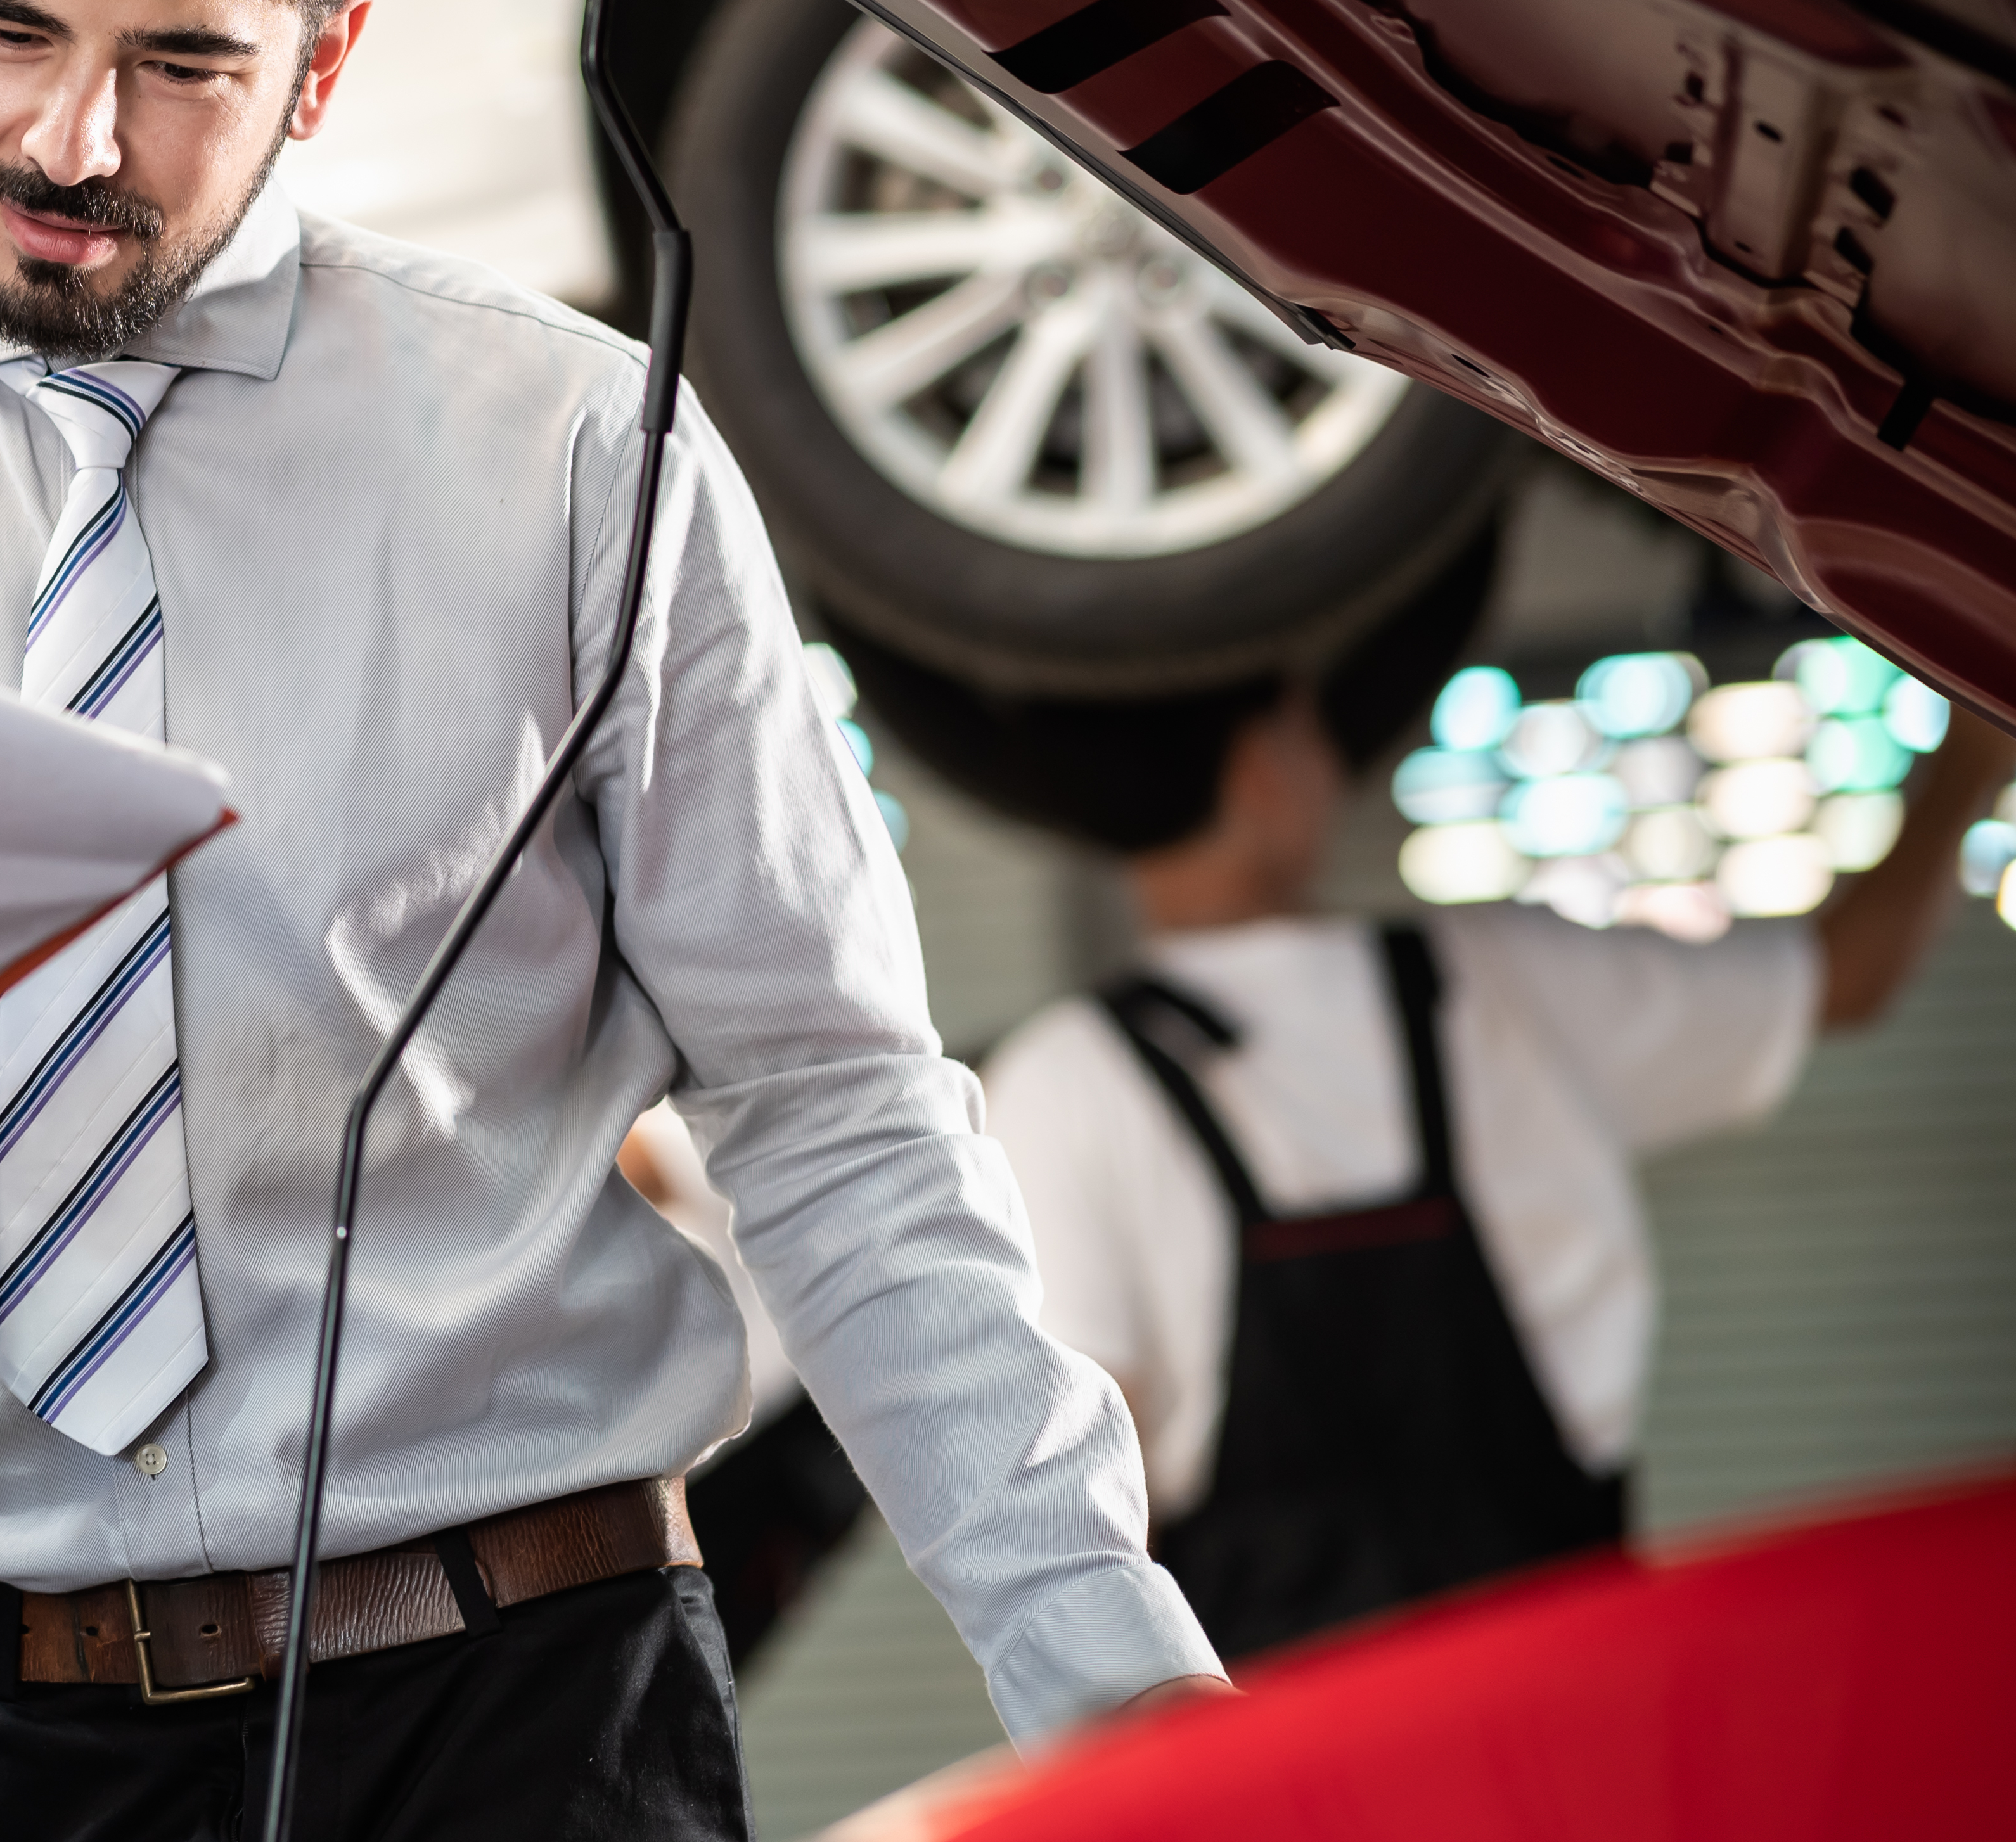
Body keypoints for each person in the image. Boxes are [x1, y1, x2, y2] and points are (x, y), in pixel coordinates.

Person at [0, 0, 1225, 1842]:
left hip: (522, 1721)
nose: (69, 139)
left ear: (324, 61)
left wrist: (1131, 1706)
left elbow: (830, 1117)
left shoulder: (576, 457)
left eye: (181, 65)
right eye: (5, 28)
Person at [859, 546, 2016, 1663]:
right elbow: (1845, 976)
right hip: (1579, 1697)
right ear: (1265, 772)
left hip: (1284, 1767)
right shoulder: (1498, 984)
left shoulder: (1063, 1081)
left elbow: (1084, 1506)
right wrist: (1977, 731)